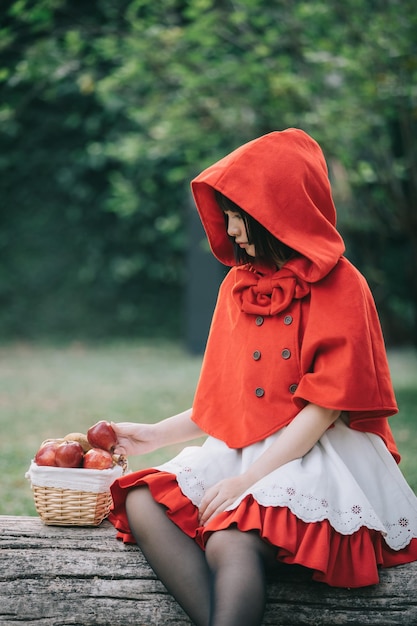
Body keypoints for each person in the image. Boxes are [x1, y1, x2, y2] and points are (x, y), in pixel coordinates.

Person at [108, 129, 417, 626]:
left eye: (238, 217)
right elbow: (233, 398)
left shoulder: (342, 284)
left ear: (277, 213)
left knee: (231, 539)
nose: (229, 230)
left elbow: (324, 408)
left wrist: (250, 480)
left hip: (315, 451)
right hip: (243, 447)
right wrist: (154, 435)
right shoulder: (237, 284)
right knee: (143, 501)